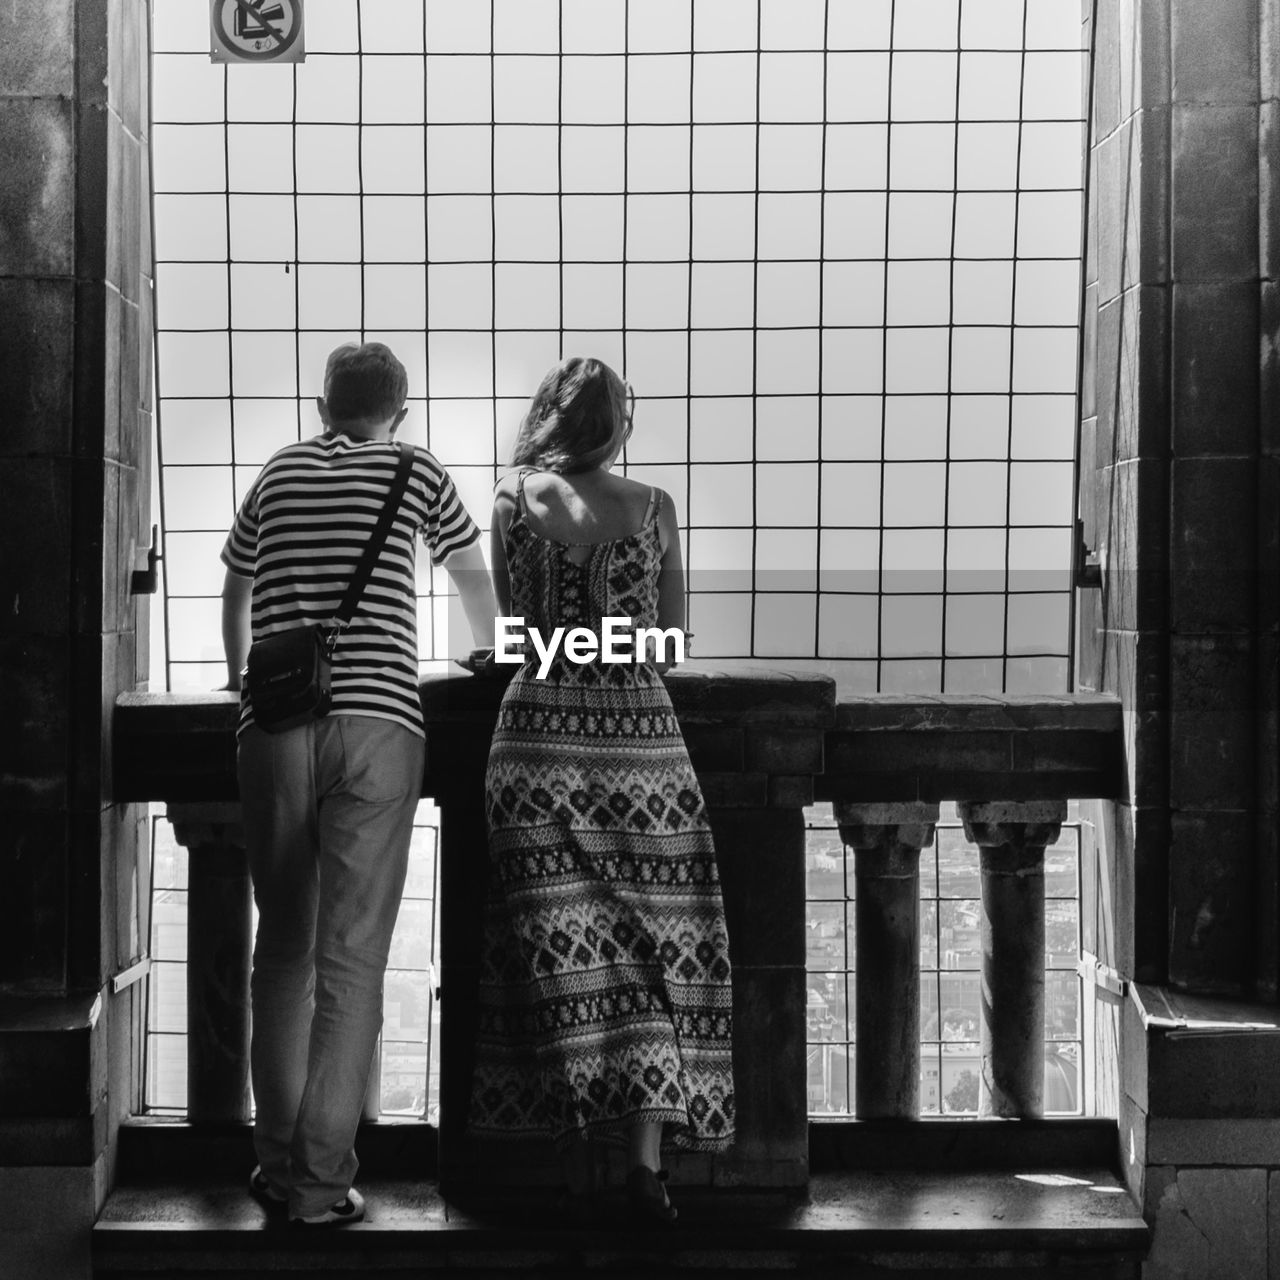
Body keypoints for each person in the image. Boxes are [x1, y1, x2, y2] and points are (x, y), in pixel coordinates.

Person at [220, 342, 495, 1226]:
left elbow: (236, 581)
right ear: (400, 412)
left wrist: (240, 678)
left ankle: (274, 1163)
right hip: (378, 726)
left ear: (321, 405)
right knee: (351, 962)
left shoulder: (277, 471)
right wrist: (484, 652)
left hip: (272, 728)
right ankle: (320, 1184)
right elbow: (468, 576)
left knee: (282, 952)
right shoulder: (417, 471)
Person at [468, 356, 735, 1223]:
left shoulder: (511, 501)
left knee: (556, 959)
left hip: (533, 741)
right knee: (653, 952)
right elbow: (668, 644)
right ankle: (645, 1168)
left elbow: (516, 634)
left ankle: (577, 1159)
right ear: (619, 421)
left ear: (549, 417)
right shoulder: (654, 507)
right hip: (641, 751)